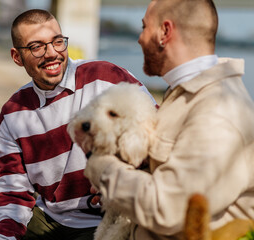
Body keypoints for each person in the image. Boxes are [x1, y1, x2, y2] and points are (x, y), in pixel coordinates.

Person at [0, 9, 155, 240]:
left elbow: (157, 134)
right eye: (37, 47)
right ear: (17, 57)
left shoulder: (107, 77)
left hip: (106, 219)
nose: (52, 54)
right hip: (49, 219)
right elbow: (11, 196)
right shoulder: (12, 115)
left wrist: (121, 177)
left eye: (58, 42)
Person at [83, 0, 254, 239]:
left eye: (144, 28)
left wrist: (101, 168)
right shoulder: (186, 95)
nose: (140, 39)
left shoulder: (216, 112)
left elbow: (168, 209)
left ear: (165, 32)